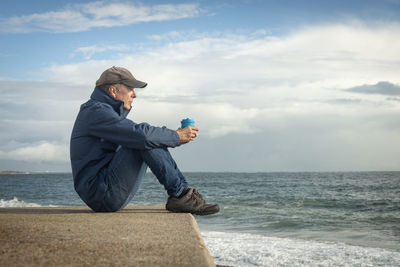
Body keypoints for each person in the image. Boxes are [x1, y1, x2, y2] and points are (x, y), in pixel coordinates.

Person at [70, 66, 219, 215]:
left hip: (104, 191)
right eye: (130, 89)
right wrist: (176, 136)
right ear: (113, 91)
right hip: (101, 195)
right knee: (143, 139)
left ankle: (183, 193)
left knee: (147, 137)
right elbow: (142, 136)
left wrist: (171, 136)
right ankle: (181, 195)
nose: (135, 95)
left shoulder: (101, 111)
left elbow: (142, 135)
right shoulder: (95, 112)